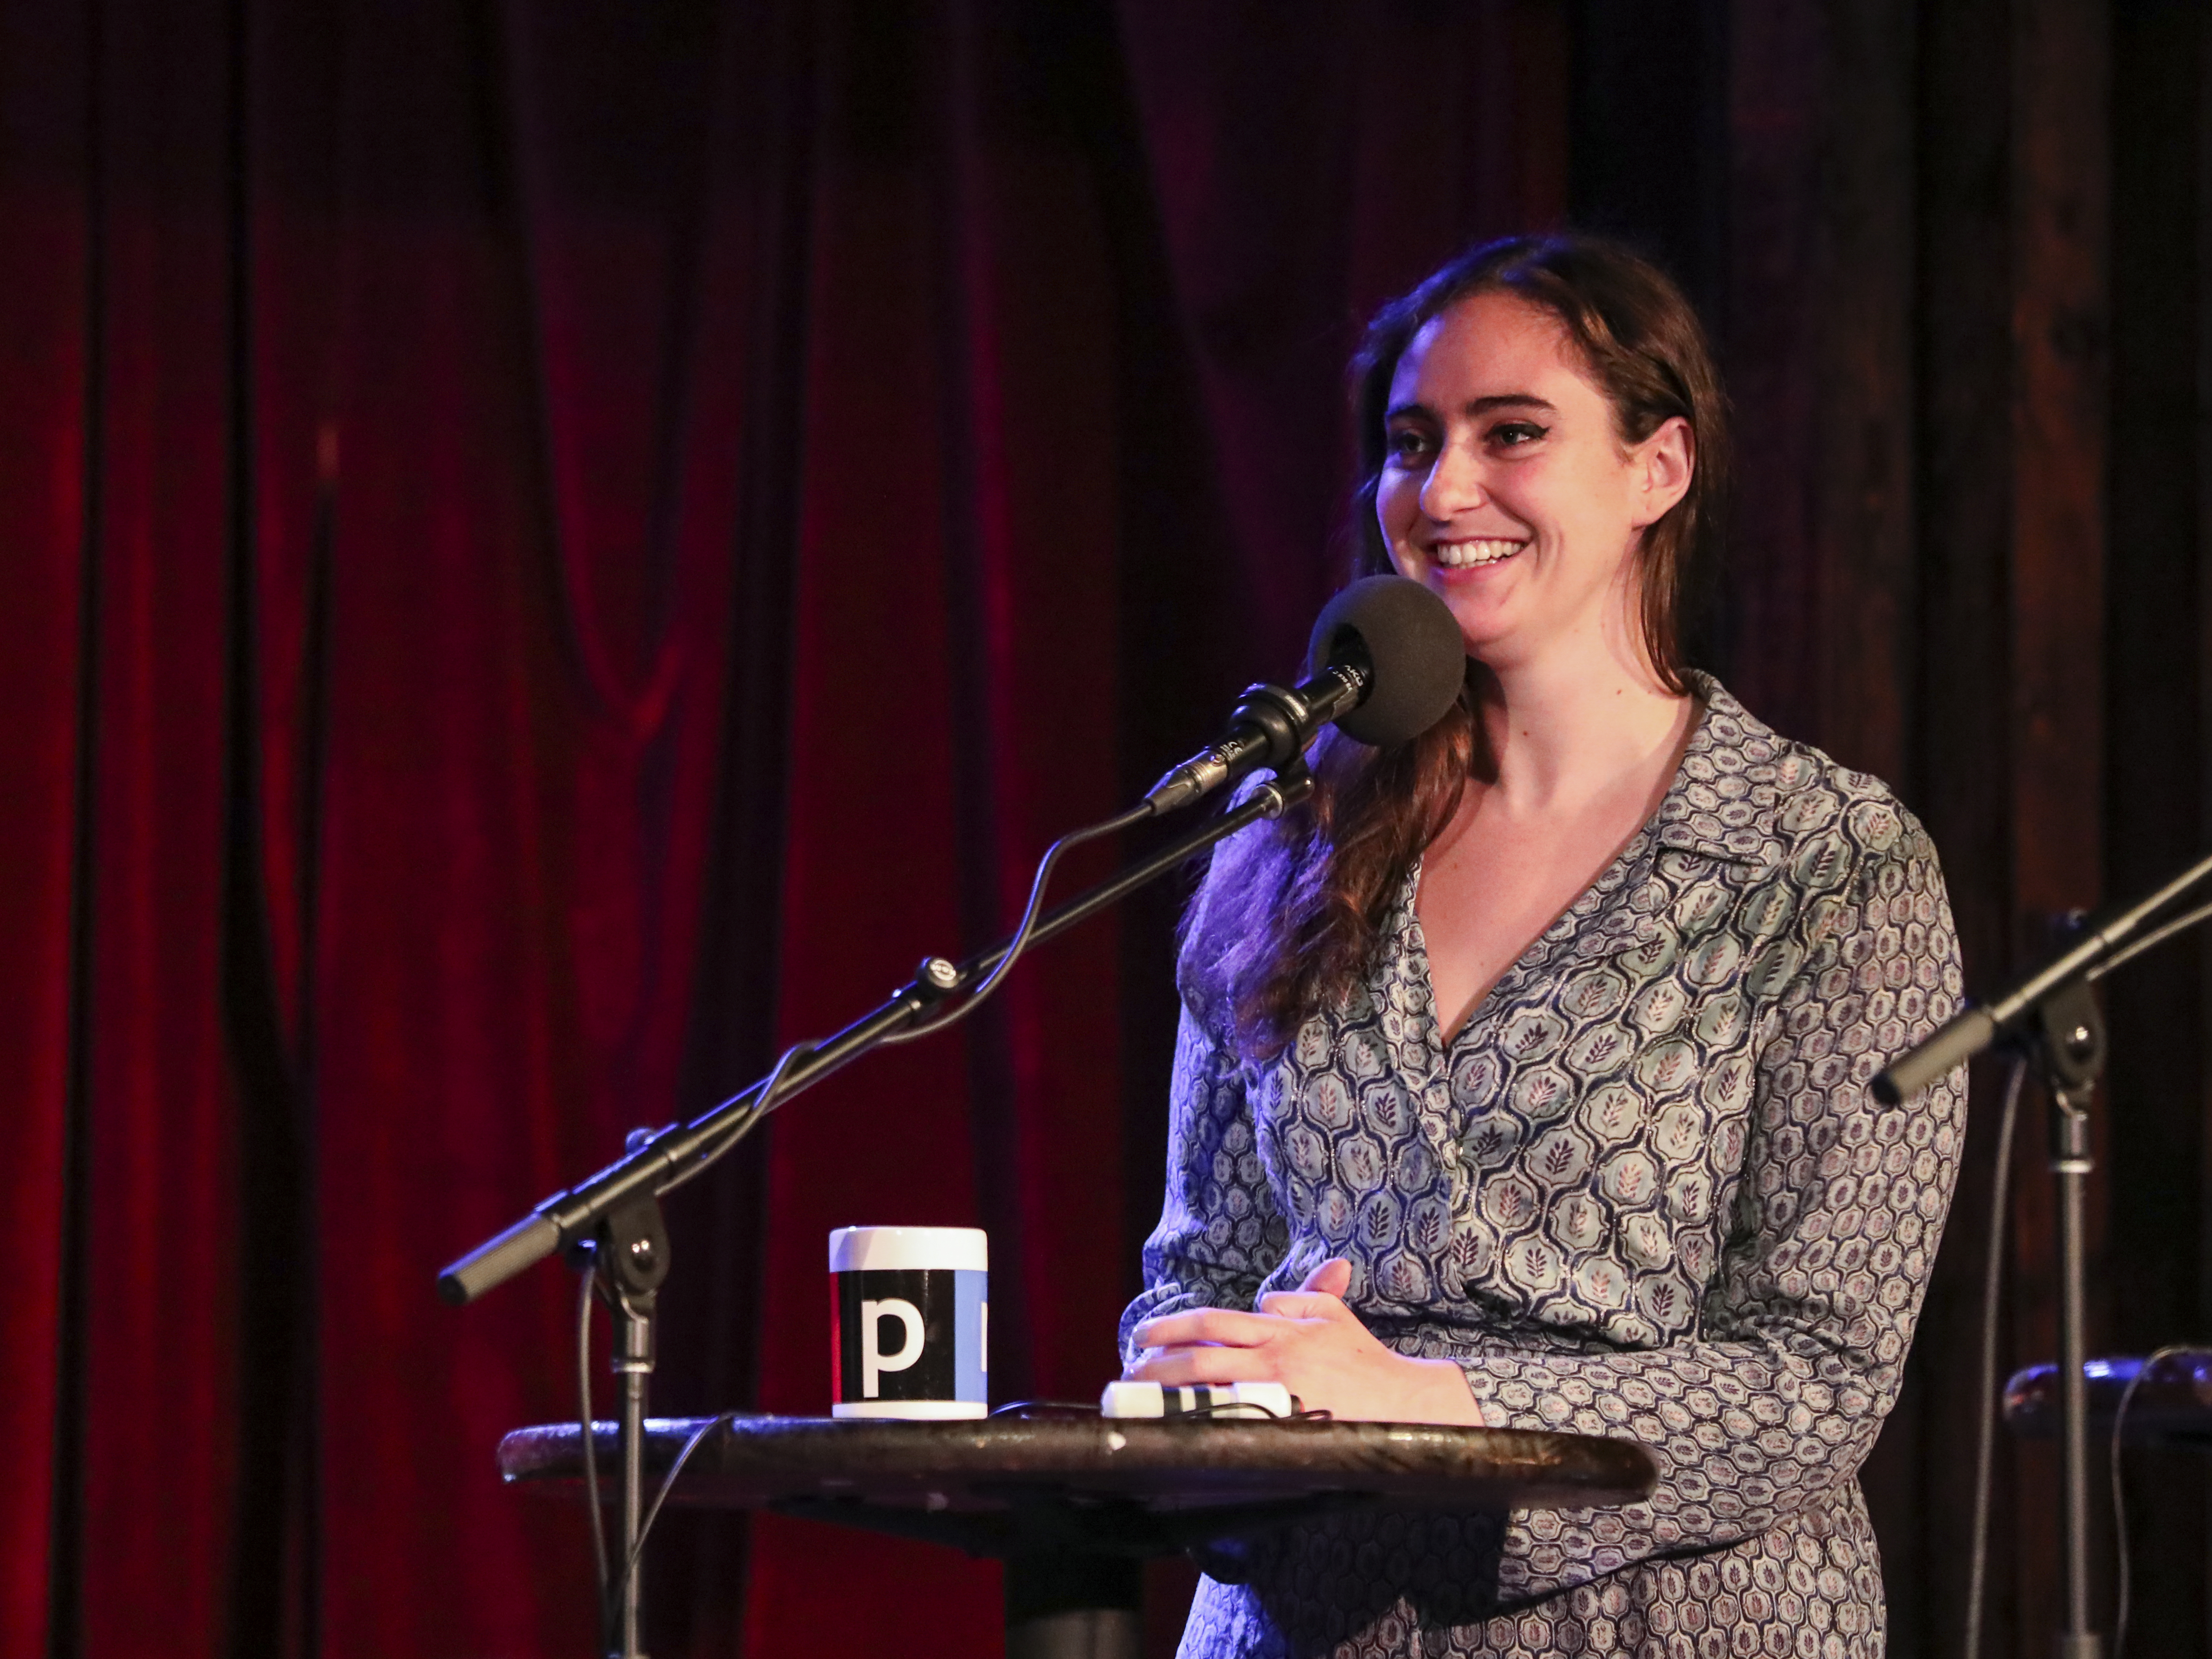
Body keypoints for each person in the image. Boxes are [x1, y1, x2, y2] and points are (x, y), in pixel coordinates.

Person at [1120, 233, 1966, 1658]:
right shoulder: (1287, 847)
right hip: (1303, 1625)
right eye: (1409, 442)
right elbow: (1199, 1275)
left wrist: (1428, 1403)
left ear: (1660, 469)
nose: (1443, 492)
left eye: (1512, 433)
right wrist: (1212, 1383)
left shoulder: (1823, 862)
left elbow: (1817, 1379)